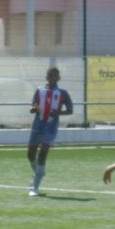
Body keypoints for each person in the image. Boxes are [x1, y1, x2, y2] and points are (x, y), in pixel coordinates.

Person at [27, 67, 73, 197]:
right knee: (30, 154)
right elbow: (33, 106)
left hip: (51, 127)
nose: (52, 78)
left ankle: (35, 188)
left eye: (55, 76)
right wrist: (34, 109)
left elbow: (70, 110)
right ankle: (39, 173)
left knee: (42, 154)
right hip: (37, 126)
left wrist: (58, 112)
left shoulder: (63, 93)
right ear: (46, 77)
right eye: (50, 76)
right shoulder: (39, 91)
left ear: (58, 78)